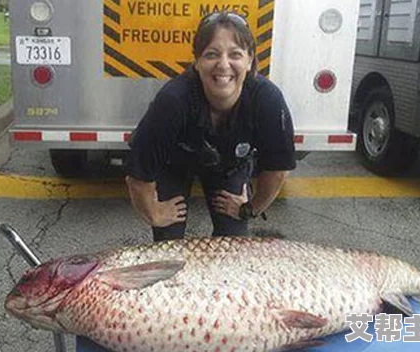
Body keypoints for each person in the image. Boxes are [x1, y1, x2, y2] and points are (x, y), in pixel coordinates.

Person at [124, 11, 296, 242]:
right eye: (211, 54)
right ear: (197, 62)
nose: (223, 65)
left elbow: (277, 171)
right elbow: (138, 177)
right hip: (175, 163)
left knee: (233, 241)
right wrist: (153, 213)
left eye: (235, 54)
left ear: (250, 61)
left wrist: (250, 208)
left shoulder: (267, 99)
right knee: (168, 239)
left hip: (229, 165)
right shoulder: (173, 101)